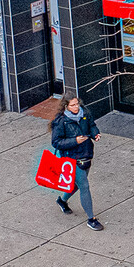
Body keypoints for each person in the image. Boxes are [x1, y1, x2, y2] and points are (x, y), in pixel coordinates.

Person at [51, 97, 103, 231]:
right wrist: (75, 141)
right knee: (84, 185)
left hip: (86, 153)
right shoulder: (61, 121)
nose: (76, 107)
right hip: (71, 158)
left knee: (76, 185)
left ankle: (62, 201)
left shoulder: (85, 113)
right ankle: (91, 219)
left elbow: (92, 126)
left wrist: (95, 134)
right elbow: (56, 142)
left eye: (77, 104)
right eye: (72, 105)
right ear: (66, 106)